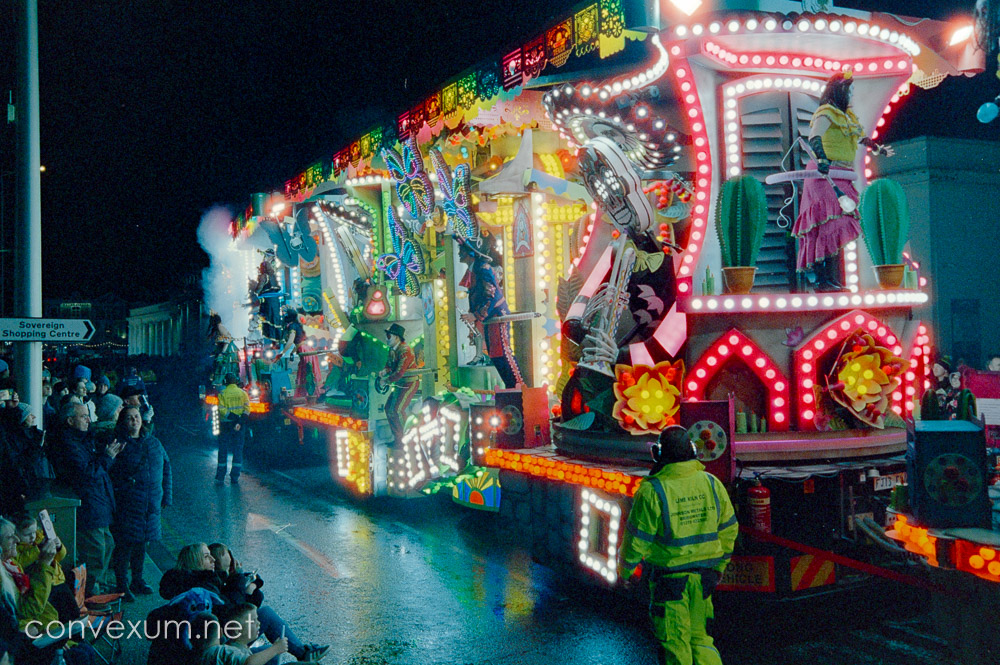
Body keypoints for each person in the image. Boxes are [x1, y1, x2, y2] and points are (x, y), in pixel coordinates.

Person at [618, 426, 738, 665]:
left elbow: (637, 540)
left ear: (657, 454)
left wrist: (625, 572)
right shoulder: (712, 483)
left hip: (670, 584)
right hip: (704, 580)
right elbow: (729, 530)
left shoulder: (652, 490)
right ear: (692, 450)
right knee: (700, 640)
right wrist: (719, 567)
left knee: (675, 646)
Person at [793, 70, 891, 291]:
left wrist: (878, 148)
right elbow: (814, 137)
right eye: (850, 90)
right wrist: (821, 159)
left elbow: (860, 137)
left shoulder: (847, 116)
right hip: (825, 174)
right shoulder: (826, 112)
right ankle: (822, 279)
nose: (852, 94)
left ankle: (830, 278)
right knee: (828, 223)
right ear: (840, 91)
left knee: (842, 223)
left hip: (842, 175)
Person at [160, 544, 327, 662]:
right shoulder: (201, 587)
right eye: (206, 556)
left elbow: (244, 602)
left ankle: (303, 652)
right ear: (195, 562)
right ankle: (303, 653)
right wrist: (238, 579)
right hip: (216, 642)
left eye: (212, 555)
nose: (212, 559)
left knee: (268, 643)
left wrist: (247, 585)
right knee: (268, 629)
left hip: (217, 636)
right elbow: (232, 611)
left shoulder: (203, 580)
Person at [1, 517, 98, 665]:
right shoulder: (6, 574)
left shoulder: (11, 565)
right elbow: (27, 610)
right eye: (9, 537)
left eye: (15, 534)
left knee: (84, 649)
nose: (16, 539)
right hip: (27, 642)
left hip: (41, 628)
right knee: (81, 655)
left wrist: (57, 547)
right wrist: (44, 563)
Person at [49, 402, 123, 595]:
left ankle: (99, 586)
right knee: (95, 551)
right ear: (70, 421)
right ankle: (90, 593)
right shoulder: (67, 444)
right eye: (83, 416)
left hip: (98, 503)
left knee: (108, 544)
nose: (89, 420)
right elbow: (87, 473)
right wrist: (107, 456)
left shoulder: (82, 439)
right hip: (88, 506)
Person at [110, 405, 172, 601]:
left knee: (142, 545)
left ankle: (137, 580)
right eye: (129, 418)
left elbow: (166, 468)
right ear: (123, 422)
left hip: (150, 505)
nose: (134, 421)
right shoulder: (117, 444)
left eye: (136, 416)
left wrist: (167, 496)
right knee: (125, 546)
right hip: (128, 505)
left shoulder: (154, 443)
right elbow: (111, 474)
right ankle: (122, 585)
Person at [458, 239, 522, 388]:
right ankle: (511, 387)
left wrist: (476, 315)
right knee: (495, 354)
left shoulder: (483, 269)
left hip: (497, 315)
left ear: (471, 253)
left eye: (462, 250)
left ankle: (518, 387)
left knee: (503, 353)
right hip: (490, 318)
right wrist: (473, 314)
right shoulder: (476, 269)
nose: (459, 253)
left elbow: (491, 295)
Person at [199, 603, 289, 665]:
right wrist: (275, 649)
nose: (258, 623)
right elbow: (248, 663)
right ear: (237, 631)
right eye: (253, 621)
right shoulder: (227, 652)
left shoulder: (236, 647)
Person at [379, 323, 417, 446]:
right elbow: (390, 365)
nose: (386, 338)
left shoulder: (405, 350)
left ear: (396, 337)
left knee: (398, 410)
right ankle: (398, 439)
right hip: (400, 383)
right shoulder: (392, 350)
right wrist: (385, 371)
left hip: (409, 383)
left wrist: (386, 380)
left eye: (388, 336)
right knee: (388, 409)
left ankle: (408, 440)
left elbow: (400, 372)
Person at [277, 310, 323, 400]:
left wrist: (282, 353)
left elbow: (291, 341)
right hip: (307, 349)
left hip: (304, 350)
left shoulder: (292, 326)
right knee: (310, 372)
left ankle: (306, 395)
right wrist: (292, 351)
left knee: (305, 372)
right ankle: (313, 395)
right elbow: (298, 342)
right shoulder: (298, 325)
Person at [216, 373, 250, 484]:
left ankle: (220, 476)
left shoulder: (222, 393)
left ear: (225, 381)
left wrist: (233, 417)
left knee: (223, 449)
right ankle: (235, 476)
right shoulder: (243, 393)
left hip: (226, 425)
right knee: (238, 449)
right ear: (236, 381)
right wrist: (239, 421)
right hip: (239, 425)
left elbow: (221, 409)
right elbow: (247, 410)